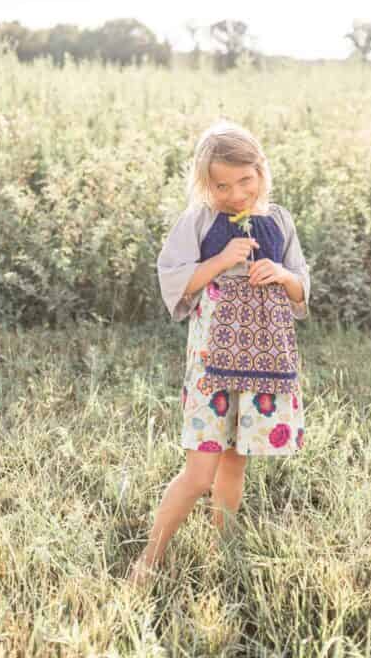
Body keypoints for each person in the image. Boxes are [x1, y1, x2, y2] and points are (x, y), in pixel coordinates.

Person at [127, 119, 311, 587]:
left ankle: (222, 553)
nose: (235, 194)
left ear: (261, 171)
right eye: (221, 185)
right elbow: (173, 279)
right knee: (199, 470)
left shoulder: (280, 220)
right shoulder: (200, 221)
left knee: (235, 461)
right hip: (213, 364)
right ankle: (148, 559)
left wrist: (282, 275)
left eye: (245, 180)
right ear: (205, 183)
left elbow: (300, 286)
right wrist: (221, 260)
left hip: (262, 363)